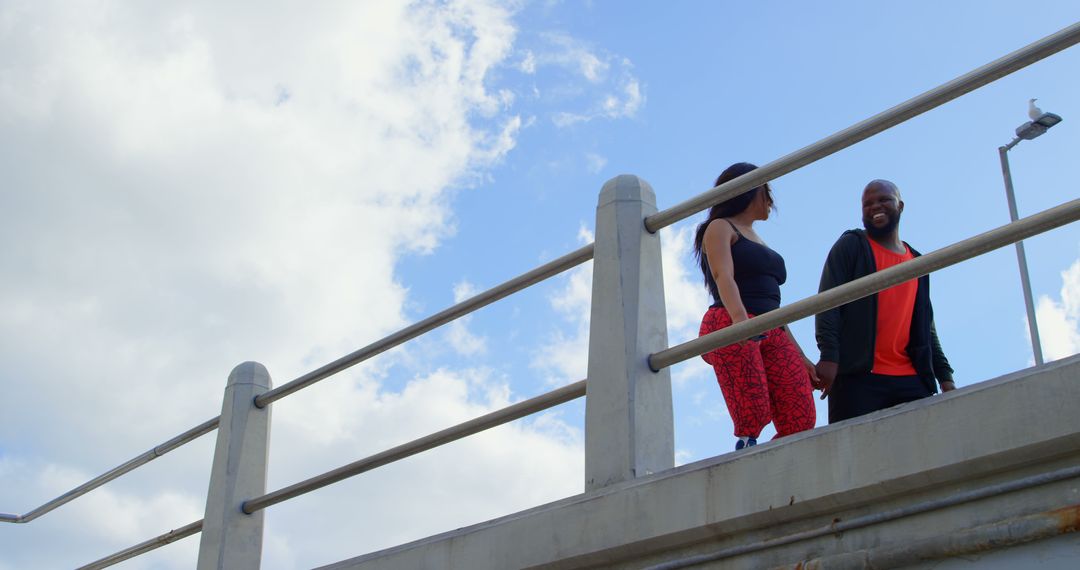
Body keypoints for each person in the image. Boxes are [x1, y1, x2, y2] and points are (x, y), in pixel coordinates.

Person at [694, 162, 819, 451]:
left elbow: (774, 306)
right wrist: (741, 322)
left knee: (799, 414)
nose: (771, 198)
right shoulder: (720, 227)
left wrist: (801, 357)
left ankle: (780, 464)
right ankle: (747, 445)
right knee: (753, 407)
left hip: (770, 325)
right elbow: (722, 275)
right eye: (767, 189)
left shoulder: (759, 238)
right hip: (732, 318)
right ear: (750, 190)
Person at [815, 179, 956, 423]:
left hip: (910, 378)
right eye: (867, 203)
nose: (874, 207)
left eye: (883, 200)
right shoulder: (851, 246)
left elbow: (926, 326)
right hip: (857, 377)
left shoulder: (918, 263)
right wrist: (829, 356)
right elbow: (827, 303)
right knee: (856, 458)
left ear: (900, 206)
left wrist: (945, 376)